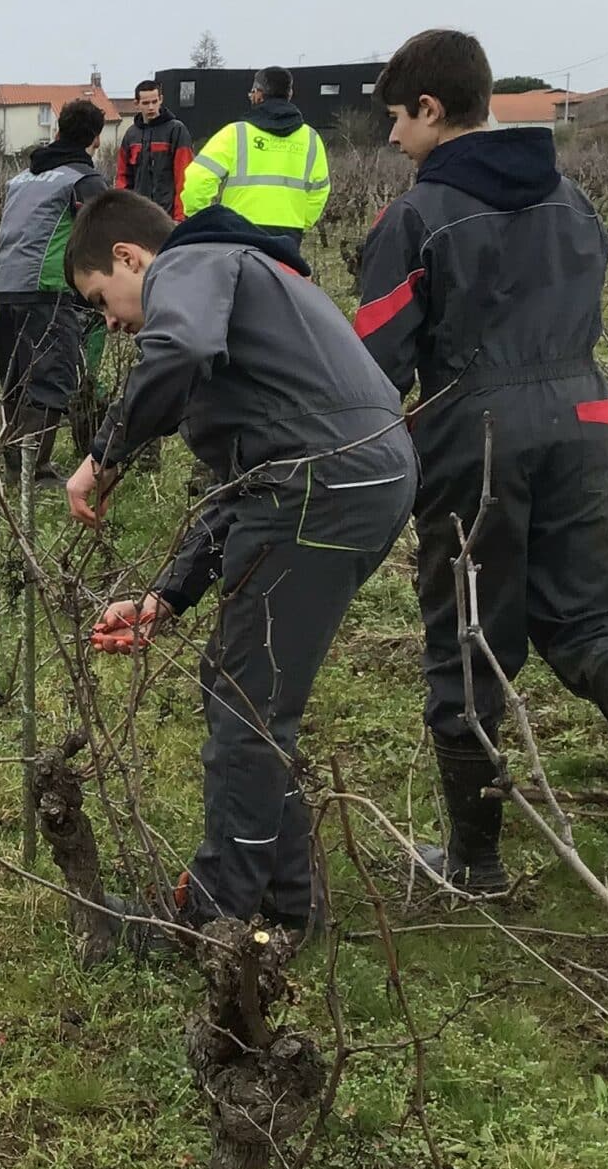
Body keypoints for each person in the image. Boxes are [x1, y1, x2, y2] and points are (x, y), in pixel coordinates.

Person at [356, 28, 608, 890]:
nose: (391, 140)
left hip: (476, 430)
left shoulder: (417, 216)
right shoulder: (573, 199)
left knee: (469, 641)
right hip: (589, 417)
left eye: (396, 120)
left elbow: (377, 358)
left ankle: (474, 860)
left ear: (430, 110)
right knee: (595, 620)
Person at [63, 189, 414, 949]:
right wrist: (167, 595)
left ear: (129, 258)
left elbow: (180, 355)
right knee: (246, 686)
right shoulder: (245, 282)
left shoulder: (192, 262)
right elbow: (251, 482)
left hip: (325, 488)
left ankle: (215, 913)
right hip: (347, 482)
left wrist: (107, 453)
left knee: (249, 704)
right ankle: (290, 902)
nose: (116, 325)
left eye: (104, 301)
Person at [0, 98, 110, 480]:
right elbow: (100, 238)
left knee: (16, 375)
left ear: (57, 131)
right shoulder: (83, 180)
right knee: (51, 379)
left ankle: (13, 459)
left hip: (6, 285)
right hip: (47, 289)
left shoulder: (21, 180)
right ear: (95, 139)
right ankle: (33, 469)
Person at [180, 66, 331, 252]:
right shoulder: (311, 138)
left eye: (252, 92)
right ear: (290, 94)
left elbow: (198, 179)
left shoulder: (235, 134)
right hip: (287, 238)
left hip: (238, 234)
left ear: (259, 94)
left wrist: (200, 218)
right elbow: (320, 191)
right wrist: (301, 222)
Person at [114, 78, 194, 217]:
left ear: (161, 99)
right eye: (145, 103)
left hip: (168, 216)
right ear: (136, 104)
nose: (151, 107)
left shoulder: (176, 130)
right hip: (138, 215)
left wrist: (180, 216)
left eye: (154, 102)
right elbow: (123, 178)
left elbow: (184, 177)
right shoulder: (131, 135)